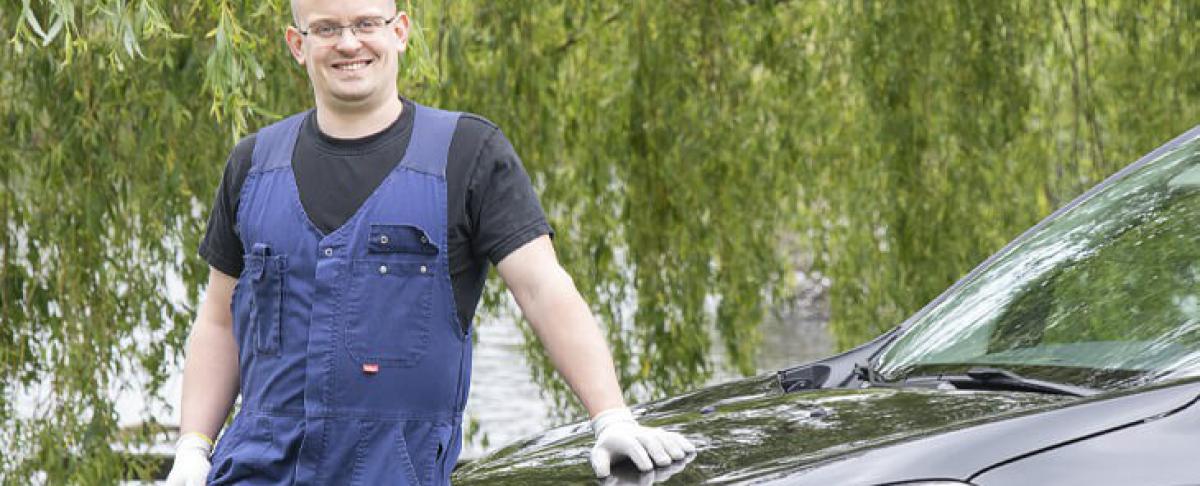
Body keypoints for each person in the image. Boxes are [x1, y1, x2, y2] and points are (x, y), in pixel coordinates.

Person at [164, 1, 695, 484]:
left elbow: (543, 289)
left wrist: (611, 417)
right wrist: (193, 448)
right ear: (298, 44)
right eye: (326, 29)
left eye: (366, 24)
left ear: (400, 31)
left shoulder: (468, 155)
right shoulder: (253, 164)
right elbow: (218, 319)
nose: (349, 43)